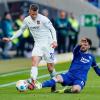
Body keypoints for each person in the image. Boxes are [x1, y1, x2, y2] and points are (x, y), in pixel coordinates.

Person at [2, 4, 57, 92]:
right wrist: (11, 38)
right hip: (38, 45)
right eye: (32, 14)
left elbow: (52, 29)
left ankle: (53, 83)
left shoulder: (44, 19)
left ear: (37, 12)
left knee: (50, 68)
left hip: (48, 45)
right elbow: (21, 30)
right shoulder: (26, 20)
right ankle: (33, 81)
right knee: (34, 62)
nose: (34, 16)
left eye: (35, 14)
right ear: (29, 12)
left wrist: (55, 41)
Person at [34, 37, 100, 93]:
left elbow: (97, 70)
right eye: (82, 44)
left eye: (85, 45)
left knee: (76, 90)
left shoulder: (91, 57)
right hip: (69, 75)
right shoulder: (77, 53)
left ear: (89, 46)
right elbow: (75, 50)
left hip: (80, 79)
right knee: (58, 77)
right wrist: (79, 44)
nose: (83, 46)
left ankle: (64, 91)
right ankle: (40, 85)